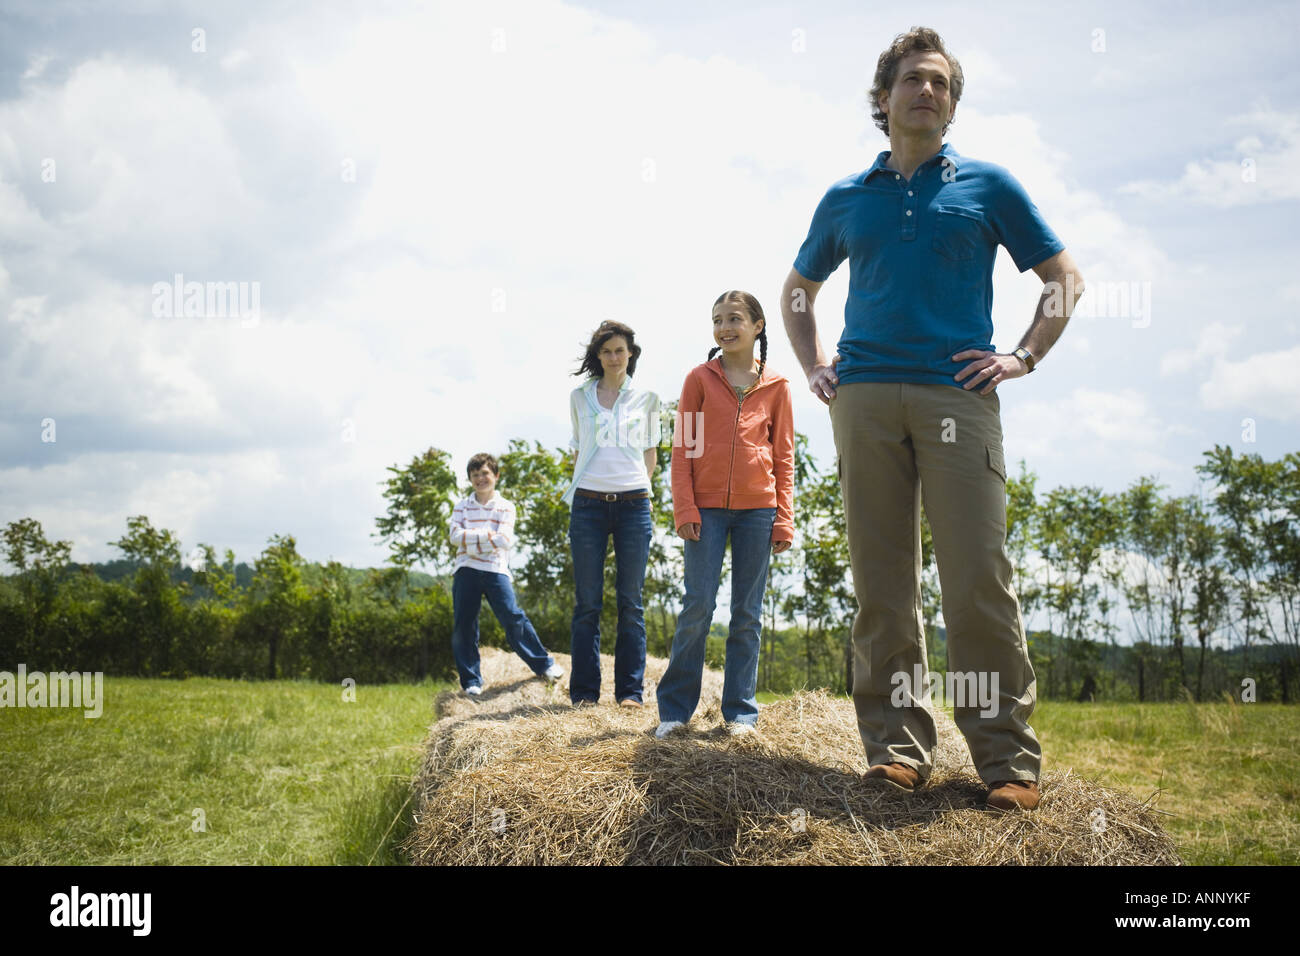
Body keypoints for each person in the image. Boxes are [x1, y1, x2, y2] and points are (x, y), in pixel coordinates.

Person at [781, 27, 1086, 811]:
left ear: (951, 106)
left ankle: (1006, 761)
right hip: (867, 400)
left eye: (942, 84)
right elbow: (797, 289)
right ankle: (896, 750)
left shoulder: (989, 186)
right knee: (882, 583)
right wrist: (816, 363)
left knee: (976, 580)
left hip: (961, 400)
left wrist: (1022, 357)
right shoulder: (848, 198)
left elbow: (1063, 278)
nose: (928, 91)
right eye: (914, 80)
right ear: (882, 101)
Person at [655, 291, 794, 738]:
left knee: (748, 614)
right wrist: (685, 506)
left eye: (734, 318)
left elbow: (784, 457)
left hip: (759, 510)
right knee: (697, 606)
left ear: (758, 326)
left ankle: (740, 714)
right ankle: (675, 712)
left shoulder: (777, 386)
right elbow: (684, 449)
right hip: (706, 510)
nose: (724, 327)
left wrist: (783, 516)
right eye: (717, 320)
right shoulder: (698, 379)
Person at [563, 321, 662, 707]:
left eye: (620, 350)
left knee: (630, 602)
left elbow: (652, 450)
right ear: (598, 356)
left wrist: (644, 490)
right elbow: (578, 447)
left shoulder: (648, 398)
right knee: (587, 602)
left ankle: (629, 694)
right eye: (606, 351)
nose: (614, 357)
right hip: (587, 505)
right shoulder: (579, 397)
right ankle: (585, 694)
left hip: (634, 506)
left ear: (631, 354)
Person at [449, 452, 564, 696]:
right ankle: (471, 682)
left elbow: (504, 540)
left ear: (496, 476)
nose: (481, 478)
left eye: (485, 473)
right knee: (464, 626)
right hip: (466, 570)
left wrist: (472, 537)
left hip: (495, 570)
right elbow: (454, 537)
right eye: (475, 474)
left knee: (513, 617)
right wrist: (487, 535)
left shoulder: (506, 507)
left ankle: (545, 665)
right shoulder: (461, 507)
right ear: (470, 479)